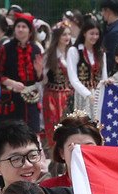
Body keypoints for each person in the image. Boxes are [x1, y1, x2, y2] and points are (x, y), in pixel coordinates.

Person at [0, 12, 43, 133]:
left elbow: (39, 78)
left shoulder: (36, 49)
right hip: (10, 99)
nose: (20, 29)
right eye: (18, 26)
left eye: (24, 27)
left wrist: (39, 72)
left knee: (32, 131)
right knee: (11, 133)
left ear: (30, 31)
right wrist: (12, 83)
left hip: (30, 99)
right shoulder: (6, 48)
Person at [42, 112, 102, 184]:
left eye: (88, 147)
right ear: (62, 153)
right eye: (74, 148)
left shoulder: (111, 185)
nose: (81, 153)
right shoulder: (48, 189)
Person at [42, 25, 75, 154]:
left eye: (68, 34)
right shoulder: (49, 55)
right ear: (57, 37)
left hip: (68, 96)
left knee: (68, 125)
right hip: (52, 95)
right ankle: (54, 155)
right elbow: (43, 78)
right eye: (63, 34)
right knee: (53, 126)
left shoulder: (72, 53)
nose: (67, 37)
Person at [65, 17, 104, 113]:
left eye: (97, 34)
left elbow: (104, 77)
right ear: (84, 33)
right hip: (80, 94)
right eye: (91, 33)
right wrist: (87, 94)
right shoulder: (74, 51)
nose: (94, 37)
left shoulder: (101, 52)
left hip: (98, 95)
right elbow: (73, 78)